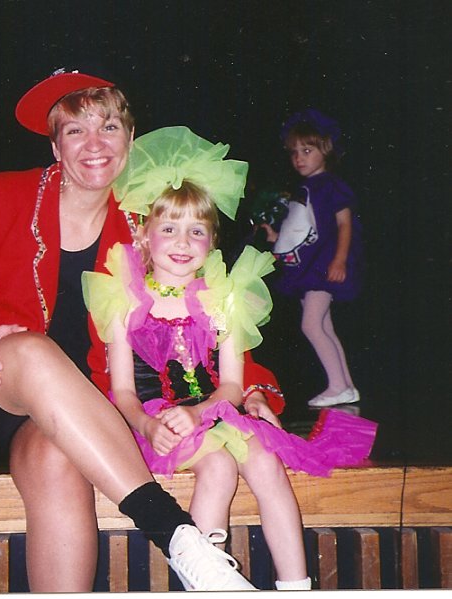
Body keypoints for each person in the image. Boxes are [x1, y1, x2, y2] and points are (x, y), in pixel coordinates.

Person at [0, 70, 272, 591]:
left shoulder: (146, 223)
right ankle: (177, 536)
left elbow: (206, 311)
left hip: (81, 420)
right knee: (32, 350)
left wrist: (251, 386)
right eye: (76, 130)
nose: (95, 144)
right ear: (55, 145)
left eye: (108, 127)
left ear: (130, 139)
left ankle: (183, 554)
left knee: (55, 456)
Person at [83, 126, 377, 591]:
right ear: (144, 237)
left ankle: (296, 584)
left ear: (211, 241)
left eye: (196, 231)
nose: (183, 242)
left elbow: (232, 387)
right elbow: (120, 390)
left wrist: (202, 411)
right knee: (218, 467)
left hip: (214, 410)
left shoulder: (222, 300)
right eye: (169, 229)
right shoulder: (123, 300)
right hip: (156, 421)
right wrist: (148, 425)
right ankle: (208, 580)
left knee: (265, 463)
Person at [262, 109, 363, 408]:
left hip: (321, 267)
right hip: (309, 268)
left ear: (325, 150)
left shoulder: (331, 185)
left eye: (307, 150)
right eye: (294, 152)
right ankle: (346, 386)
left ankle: (336, 386)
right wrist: (274, 238)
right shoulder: (305, 188)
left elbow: (345, 224)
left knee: (310, 325)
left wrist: (340, 260)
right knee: (325, 327)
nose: (299, 158)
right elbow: (300, 230)